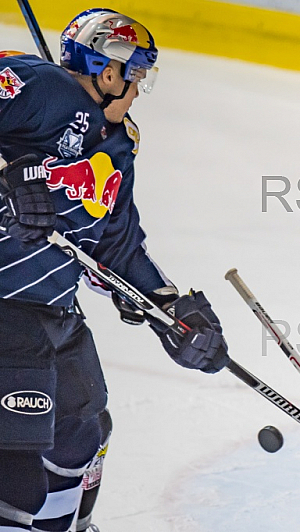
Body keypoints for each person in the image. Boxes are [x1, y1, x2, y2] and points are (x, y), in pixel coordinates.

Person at [0, 9, 230, 532]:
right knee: (15, 479)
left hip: (52, 312)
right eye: (137, 77)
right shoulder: (39, 86)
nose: (137, 89)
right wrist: (7, 174)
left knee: (82, 431)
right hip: (4, 307)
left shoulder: (114, 145)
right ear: (109, 72)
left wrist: (170, 308)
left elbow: (116, 245)